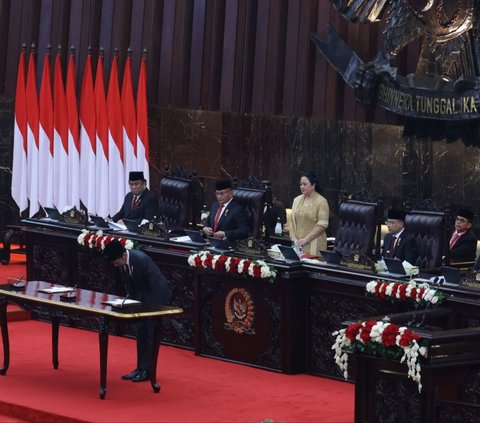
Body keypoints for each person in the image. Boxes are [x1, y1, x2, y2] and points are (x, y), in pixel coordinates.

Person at [103, 239, 171, 382]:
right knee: (141, 334)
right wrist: (129, 302)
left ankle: (148, 371)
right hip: (142, 300)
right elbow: (130, 285)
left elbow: (154, 286)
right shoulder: (123, 264)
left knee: (150, 335)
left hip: (155, 299)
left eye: (116, 263)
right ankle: (140, 368)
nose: (116, 266)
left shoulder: (141, 260)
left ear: (123, 256)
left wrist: (154, 309)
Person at [289, 171, 329, 255]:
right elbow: (291, 221)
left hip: (314, 245)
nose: (302, 187)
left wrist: (306, 239)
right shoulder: (296, 200)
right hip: (297, 245)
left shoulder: (321, 202)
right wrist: (294, 239)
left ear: (313, 185)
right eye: (300, 184)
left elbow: (322, 225)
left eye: (305, 184)